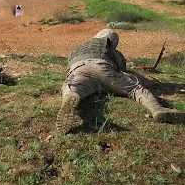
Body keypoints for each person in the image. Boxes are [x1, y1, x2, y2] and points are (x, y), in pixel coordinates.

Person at [56, 28, 185, 135]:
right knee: (135, 89)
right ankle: (157, 109)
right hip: (102, 67)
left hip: (78, 69)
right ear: (112, 41)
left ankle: (69, 98)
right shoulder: (109, 47)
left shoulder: (77, 49)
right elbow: (121, 68)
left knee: (73, 88)